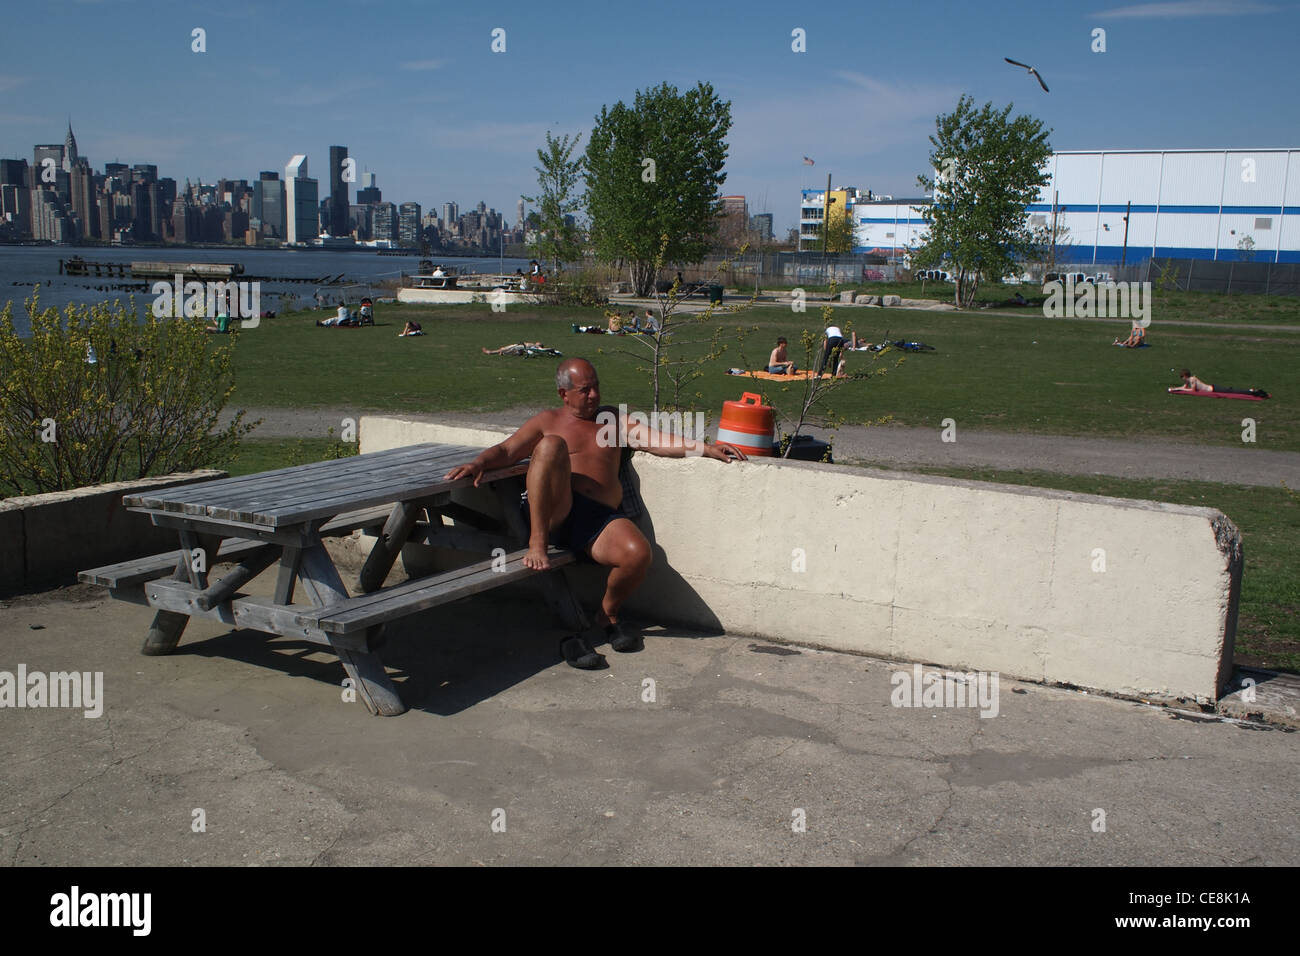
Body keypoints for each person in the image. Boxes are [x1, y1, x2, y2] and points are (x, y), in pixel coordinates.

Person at [444, 358, 746, 669]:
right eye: (585, 390)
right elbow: (507, 451)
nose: (594, 395)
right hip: (557, 511)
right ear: (564, 394)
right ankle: (537, 543)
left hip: (598, 518)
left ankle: (608, 613)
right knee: (550, 446)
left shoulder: (611, 421)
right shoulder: (548, 420)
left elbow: (654, 439)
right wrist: (479, 463)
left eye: (596, 387)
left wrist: (705, 448)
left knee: (638, 554)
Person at [1178, 369, 1269, 398]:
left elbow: (1193, 390)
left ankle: (1253, 391)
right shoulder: (1188, 380)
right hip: (1213, 388)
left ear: (1186, 376)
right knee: (1232, 390)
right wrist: (1177, 389)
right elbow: (1184, 387)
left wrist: (1182, 389)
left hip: (1214, 389)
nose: (1182, 379)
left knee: (1233, 391)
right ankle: (1252, 391)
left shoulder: (1192, 379)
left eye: (1182, 377)